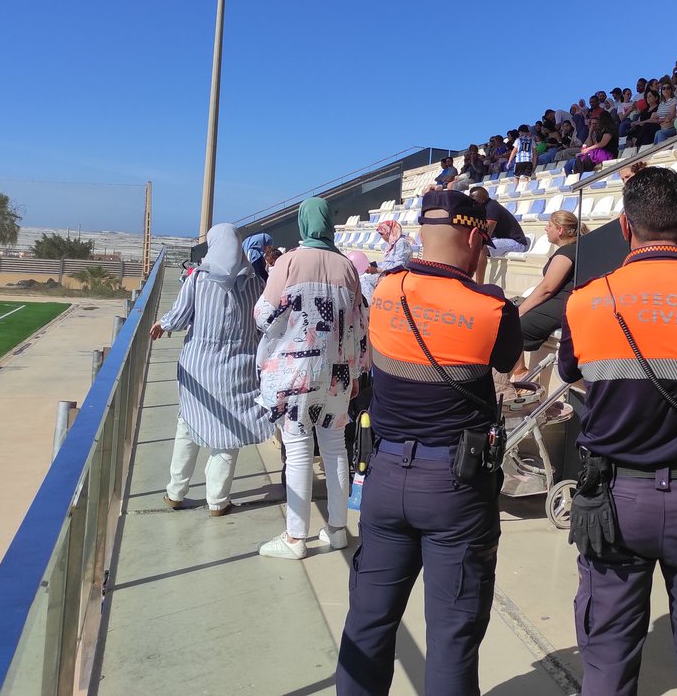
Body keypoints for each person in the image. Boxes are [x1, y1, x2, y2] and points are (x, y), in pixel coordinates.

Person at [557, 167, 677, 696]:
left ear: (625, 226)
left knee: (607, 659)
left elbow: (572, 373)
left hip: (613, 502)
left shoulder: (586, 300)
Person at [337, 189, 521, 696]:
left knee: (367, 626)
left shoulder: (386, 289)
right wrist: (476, 276)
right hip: (456, 488)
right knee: (452, 638)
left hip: (385, 473)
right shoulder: (491, 307)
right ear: (473, 236)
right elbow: (506, 363)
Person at [254, 197, 367, 560]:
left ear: (304, 223)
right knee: (335, 448)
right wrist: (359, 369)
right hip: (338, 372)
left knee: (299, 449)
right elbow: (361, 324)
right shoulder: (347, 267)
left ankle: (295, 538)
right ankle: (336, 529)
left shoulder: (288, 262)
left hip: (297, 372)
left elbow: (263, 315)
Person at [151, 223, 272, 517]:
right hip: (238, 368)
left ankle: (175, 492)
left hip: (198, 366)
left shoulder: (198, 279)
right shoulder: (255, 282)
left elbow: (179, 317)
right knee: (227, 436)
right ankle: (217, 501)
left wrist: (162, 324)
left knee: (188, 424)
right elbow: (261, 325)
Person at [509, 210, 588, 379]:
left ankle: (520, 376)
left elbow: (547, 288)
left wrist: (520, 310)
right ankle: (518, 372)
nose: (546, 229)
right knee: (508, 311)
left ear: (560, 230)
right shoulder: (575, 248)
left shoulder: (566, 252)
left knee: (512, 324)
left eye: (549, 225)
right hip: (564, 301)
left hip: (564, 304)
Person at [468, 185, 530, 284]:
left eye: (474, 199)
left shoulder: (492, 207)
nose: (472, 202)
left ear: (483, 199)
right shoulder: (482, 208)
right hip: (501, 239)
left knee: (481, 247)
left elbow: (486, 234)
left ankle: (479, 286)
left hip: (517, 242)